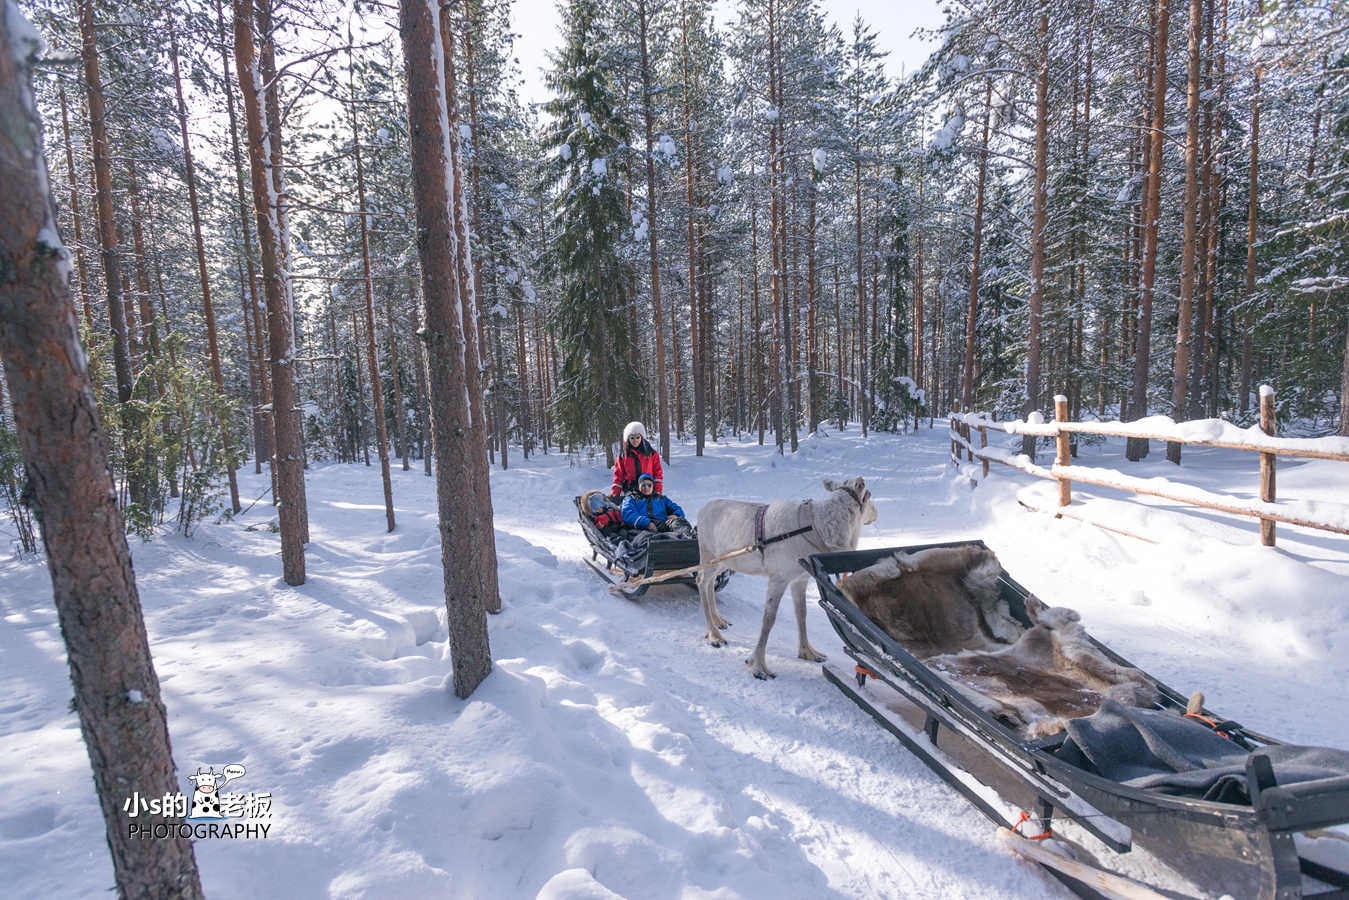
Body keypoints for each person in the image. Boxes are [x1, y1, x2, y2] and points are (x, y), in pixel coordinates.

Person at [621, 473, 692, 535]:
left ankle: (687, 540)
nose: (646, 487)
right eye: (643, 484)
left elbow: (676, 508)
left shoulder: (661, 498)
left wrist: (676, 515)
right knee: (645, 537)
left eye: (649, 485)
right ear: (638, 485)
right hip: (642, 528)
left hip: (662, 525)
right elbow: (628, 514)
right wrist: (646, 523)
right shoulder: (631, 498)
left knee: (680, 522)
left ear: (652, 486)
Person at [611, 421, 663, 498]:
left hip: (647, 489)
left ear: (642, 437)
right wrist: (615, 494)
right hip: (629, 491)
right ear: (628, 439)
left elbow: (657, 474)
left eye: (637, 437)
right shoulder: (622, 457)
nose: (635, 440)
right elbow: (618, 477)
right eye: (632, 437)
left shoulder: (651, 454)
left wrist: (658, 491)